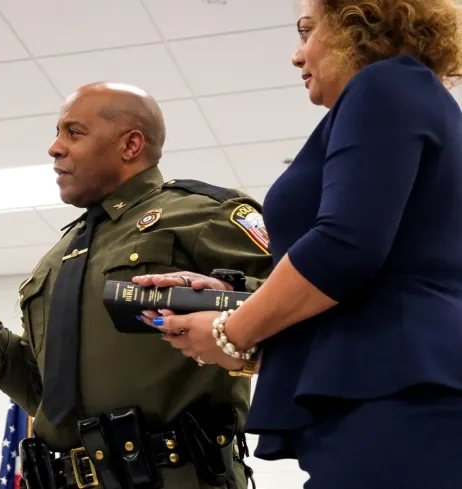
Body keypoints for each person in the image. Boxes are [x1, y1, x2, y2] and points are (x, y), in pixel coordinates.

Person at [139, 1, 462, 488]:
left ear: (361, 26)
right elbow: (371, 279)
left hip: (396, 401)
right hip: (396, 391)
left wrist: (232, 331)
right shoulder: (416, 97)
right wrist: (233, 303)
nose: (297, 55)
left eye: (307, 32)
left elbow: (343, 248)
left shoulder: (385, 84)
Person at [0, 82, 274, 488]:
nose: (55, 148)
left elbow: (289, 300)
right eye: (57, 133)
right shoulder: (57, 260)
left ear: (130, 145)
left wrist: (225, 296)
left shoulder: (202, 213)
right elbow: (41, 391)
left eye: (74, 132)